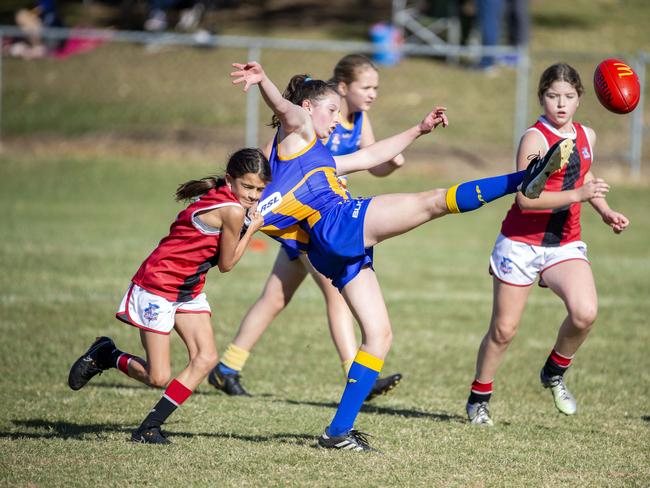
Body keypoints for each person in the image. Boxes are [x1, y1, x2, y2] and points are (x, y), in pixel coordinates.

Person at [228, 59, 571, 451]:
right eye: (332, 112)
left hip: (331, 248)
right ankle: (522, 180)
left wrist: (419, 130)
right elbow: (285, 109)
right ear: (308, 109)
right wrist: (264, 80)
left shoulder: (321, 154)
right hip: (338, 223)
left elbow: (372, 157)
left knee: (379, 336)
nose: (338, 122)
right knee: (430, 202)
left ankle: (337, 432)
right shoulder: (299, 132)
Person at [209, 54, 404, 400]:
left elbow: (370, 163)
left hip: (323, 218)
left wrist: (393, 162)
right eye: (366, 87)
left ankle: (227, 367)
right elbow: (272, 162)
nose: (373, 94)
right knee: (335, 292)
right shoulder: (315, 116)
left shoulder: (359, 120)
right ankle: (355, 374)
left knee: (274, 297)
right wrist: (261, 203)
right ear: (343, 88)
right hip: (302, 222)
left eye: (376, 87)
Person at [67, 148, 271, 444]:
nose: (253, 195)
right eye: (248, 187)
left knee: (205, 357)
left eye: (260, 189)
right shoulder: (233, 210)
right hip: (158, 286)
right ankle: (106, 354)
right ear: (230, 180)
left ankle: (149, 427)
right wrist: (252, 229)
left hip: (187, 289)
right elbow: (226, 265)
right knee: (157, 377)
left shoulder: (227, 200)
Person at [464, 63, 630, 426]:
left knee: (585, 313)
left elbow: (584, 175)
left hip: (564, 244)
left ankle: (554, 371)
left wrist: (603, 209)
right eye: (553, 96)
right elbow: (526, 198)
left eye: (568, 97)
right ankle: (479, 397)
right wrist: (580, 194)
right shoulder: (534, 139)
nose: (560, 103)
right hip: (520, 244)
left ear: (580, 99)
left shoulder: (587, 135)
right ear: (541, 97)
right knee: (504, 330)